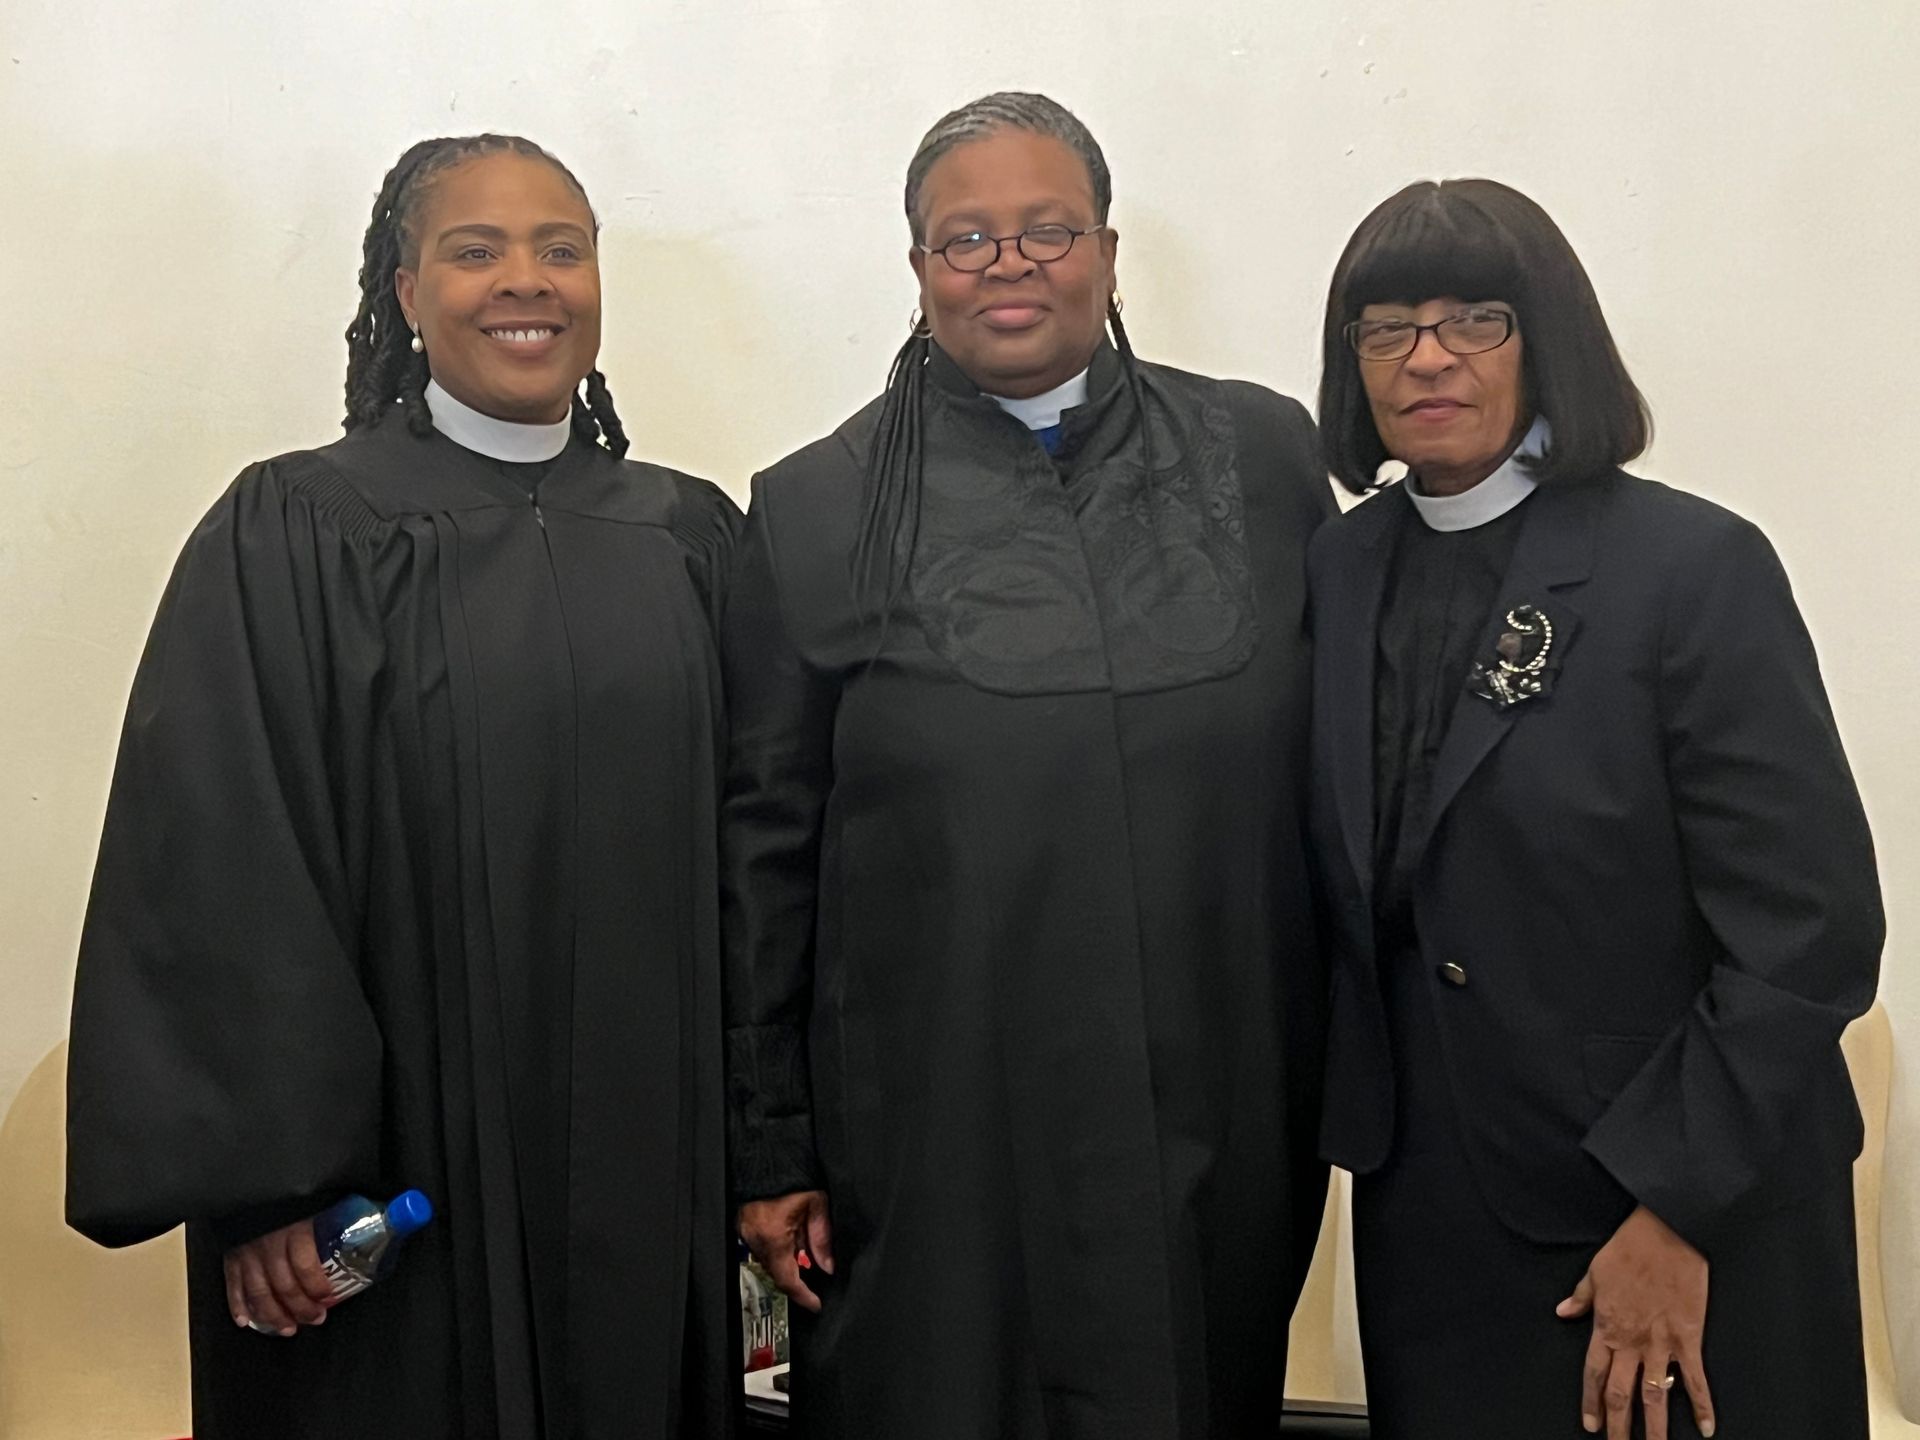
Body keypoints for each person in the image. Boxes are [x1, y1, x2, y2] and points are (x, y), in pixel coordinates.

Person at [64, 134, 739, 1439]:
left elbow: (763, 856)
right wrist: (274, 1182)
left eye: (561, 249)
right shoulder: (297, 531)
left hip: (653, 1168)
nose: (525, 280)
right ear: (408, 290)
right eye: (476, 250)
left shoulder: (691, 538)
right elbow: (225, 854)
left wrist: (771, 1152)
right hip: (384, 1198)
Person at [723, 91, 1334, 1439]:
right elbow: (764, 849)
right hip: (936, 1119)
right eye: (968, 238)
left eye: (1048, 230)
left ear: (1109, 250)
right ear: (918, 266)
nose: (1010, 264)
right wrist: (769, 1144)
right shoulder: (815, 504)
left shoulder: (1264, 458)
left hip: (1221, 1092)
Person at [1308, 177, 1883, 1440]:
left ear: (1549, 338)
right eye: (1387, 327)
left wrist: (1675, 1206)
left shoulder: (1691, 567)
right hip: (1439, 1216)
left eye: (1476, 319)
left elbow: (1809, 932)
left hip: (1686, 1205)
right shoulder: (1337, 569)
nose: (1427, 357)